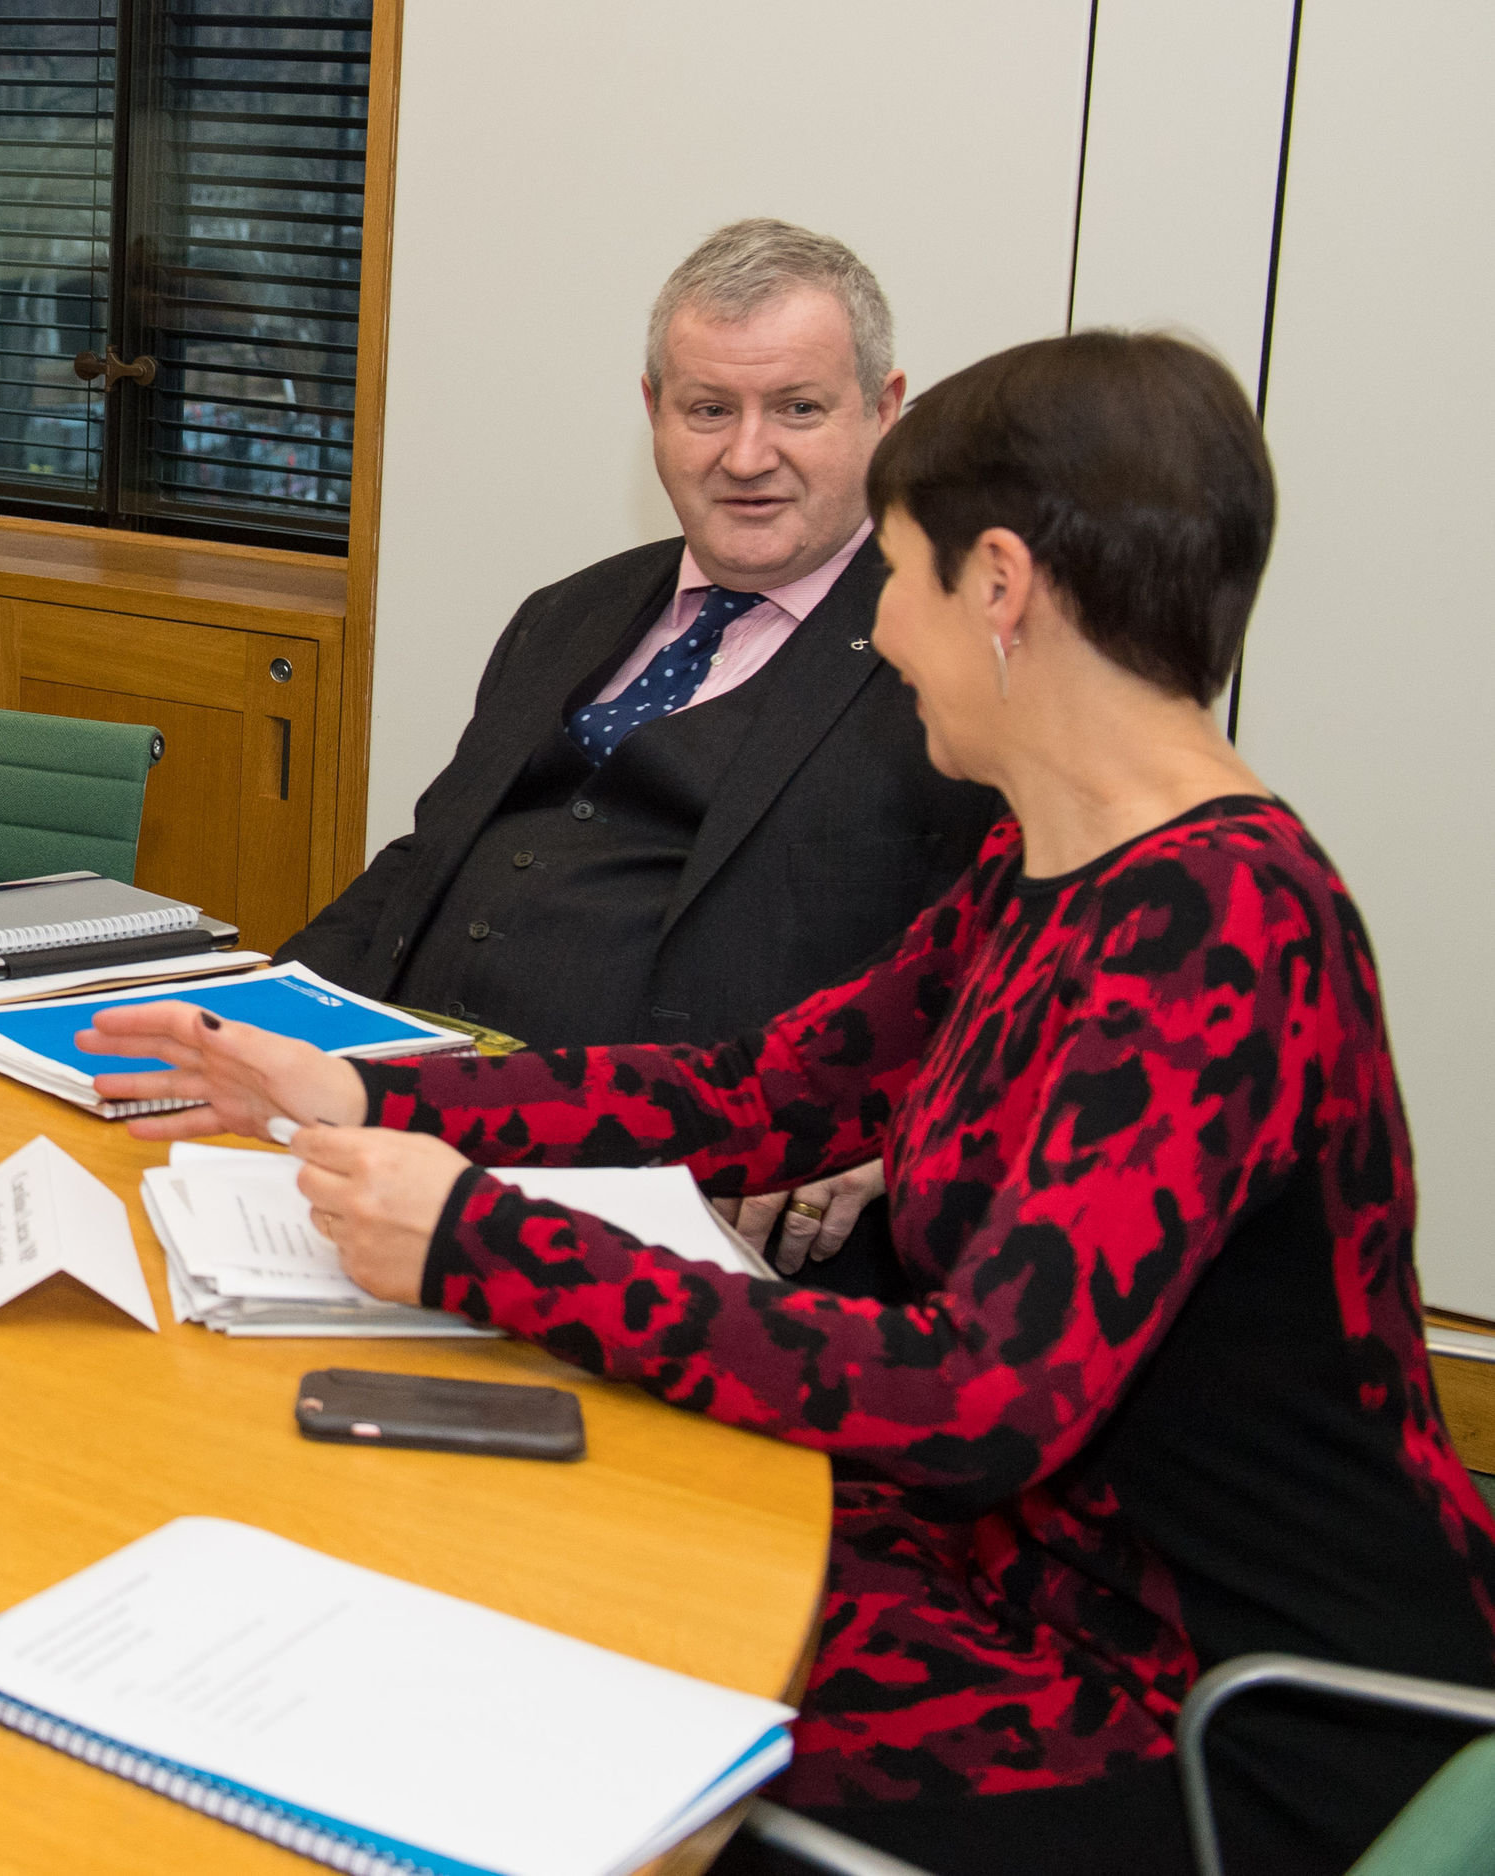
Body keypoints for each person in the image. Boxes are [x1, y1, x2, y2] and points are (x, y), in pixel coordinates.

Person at [83, 330, 1495, 1876]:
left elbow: (979, 1402)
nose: (884, 635)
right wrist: (365, 1086)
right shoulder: (1058, 867)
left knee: (548, 1707)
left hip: (1214, 1702)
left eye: (897, 578)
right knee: (513, 1557)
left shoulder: (1216, 928)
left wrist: (480, 1245)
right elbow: (767, 1095)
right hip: (1029, 1574)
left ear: (1002, 589)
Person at [284, 219, 998, 1285]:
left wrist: (906, 1129)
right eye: (707, 410)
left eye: (797, 409)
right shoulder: (565, 613)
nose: (745, 456)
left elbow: (1027, 962)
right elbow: (423, 862)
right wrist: (257, 1012)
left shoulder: (952, 658)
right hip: (400, 1135)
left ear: (882, 412)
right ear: (653, 412)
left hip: (673, 1210)